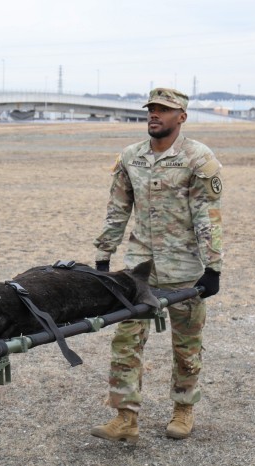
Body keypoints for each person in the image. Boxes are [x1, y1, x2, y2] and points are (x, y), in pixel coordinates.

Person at [90, 87, 223, 444]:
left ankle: (183, 408)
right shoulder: (131, 157)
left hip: (186, 272)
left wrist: (214, 268)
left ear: (181, 117)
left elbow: (208, 217)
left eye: (163, 110)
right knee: (125, 340)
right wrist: (103, 257)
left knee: (187, 345)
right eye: (151, 109)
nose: (154, 114)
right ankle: (125, 417)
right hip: (139, 271)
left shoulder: (198, 158)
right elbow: (117, 210)